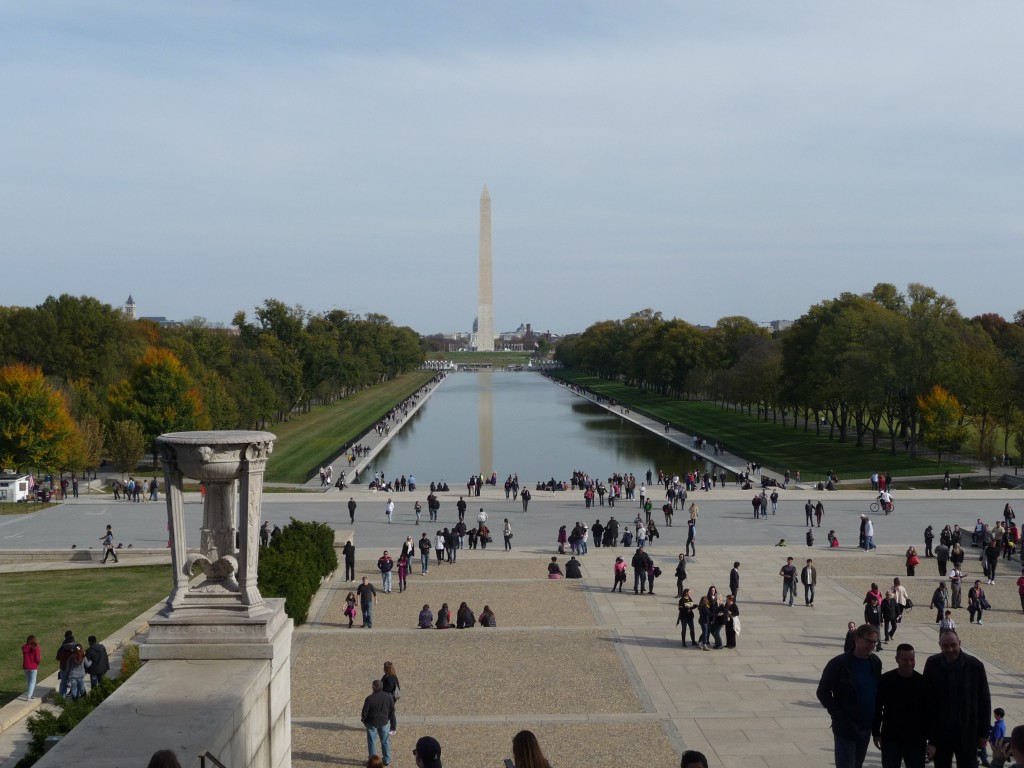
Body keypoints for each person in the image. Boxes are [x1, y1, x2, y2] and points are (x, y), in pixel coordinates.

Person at [817, 624, 883, 768]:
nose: (872, 646)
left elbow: (877, 696)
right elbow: (823, 692)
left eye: (874, 642)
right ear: (857, 639)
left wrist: (876, 729)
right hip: (846, 728)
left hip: (865, 728)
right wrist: (838, 714)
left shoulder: (875, 662)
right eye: (868, 641)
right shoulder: (839, 664)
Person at [923, 629, 991, 767]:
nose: (950, 649)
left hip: (968, 733)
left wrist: (983, 734)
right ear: (940, 645)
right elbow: (926, 702)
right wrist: (929, 738)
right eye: (946, 646)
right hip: (941, 733)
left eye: (953, 645)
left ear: (959, 643)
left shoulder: (975, 666)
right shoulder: (932, 663)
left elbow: (984, 701)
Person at [872, 642, 931, 768]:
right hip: (891, 739)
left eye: (912, 659)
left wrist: (933, 741)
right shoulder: (886, 680)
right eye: (905, 660)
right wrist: (876, 732)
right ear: (897, 659)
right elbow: (877, 708)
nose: (909, 663)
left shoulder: (923, 683)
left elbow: (931, 713)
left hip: (916, 740)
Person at [361, 679, 394, 766]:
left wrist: (364, 721)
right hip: (384, 722)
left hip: (372, 723)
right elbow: (392, 709)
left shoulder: (369, 699)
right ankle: (386, 760)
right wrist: (388, 718)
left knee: (372, 741)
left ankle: (372, 761)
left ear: (374, 687)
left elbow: (364, 713)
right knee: (385, 741)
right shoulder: (388, 697)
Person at [381, 661, 400, 735]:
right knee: (388, 712)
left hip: (390, 698)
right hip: (389, 697)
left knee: (391, 713)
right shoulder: (390, 676)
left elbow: (388, 689)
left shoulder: (390, 678)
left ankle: (393, 728)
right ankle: (383, 725)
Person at [22, 635, 40, 701]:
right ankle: (29, 696)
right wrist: (37, 663)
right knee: (33, 681)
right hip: (33, 667)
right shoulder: (36, 648)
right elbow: (37, 658)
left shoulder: (24, 647)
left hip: (26, 667)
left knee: (29, 681)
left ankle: (30, 695)